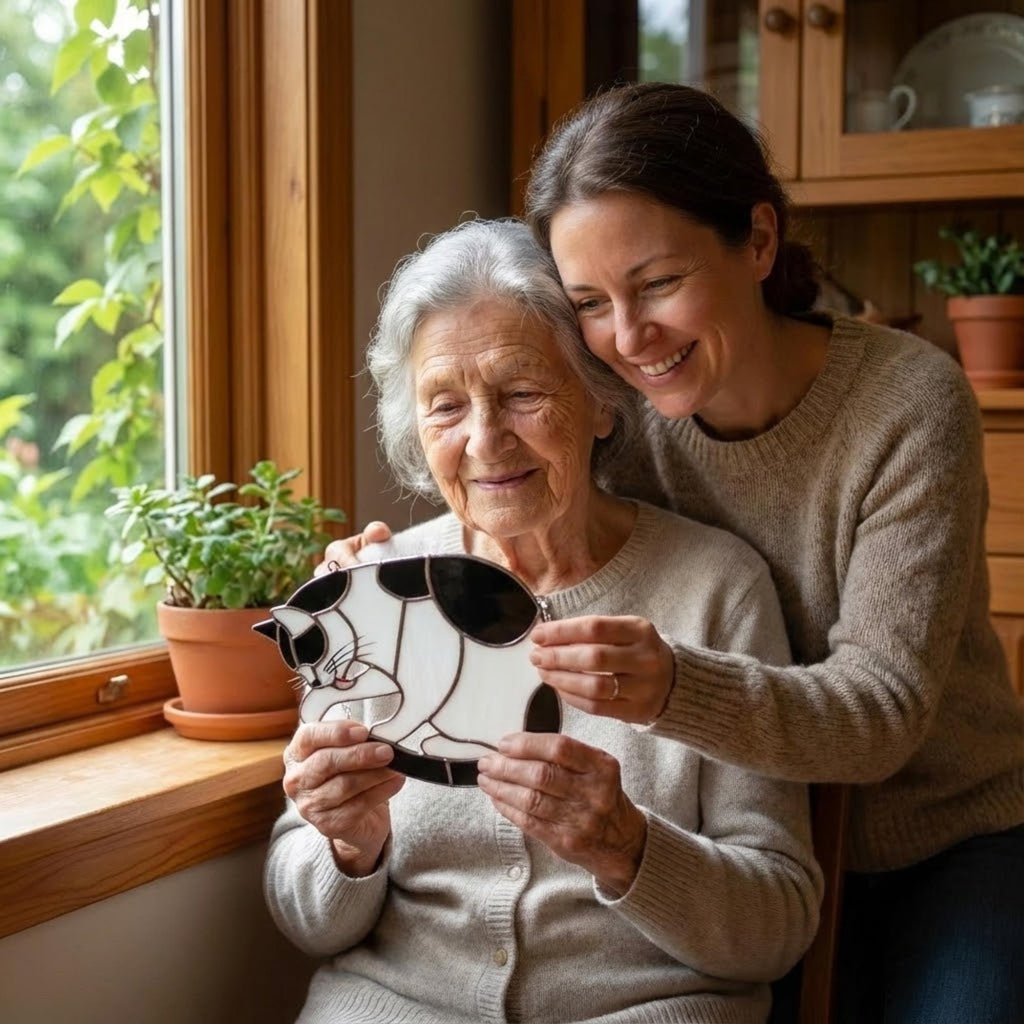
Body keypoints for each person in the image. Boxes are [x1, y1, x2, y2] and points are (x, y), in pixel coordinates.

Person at [332, 84, 1024, 1024]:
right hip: (751, 831)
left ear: (760, 242)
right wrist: (388, 581)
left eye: (658, 284)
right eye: (590, 303)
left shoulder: (910, 407)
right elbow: (510, 485)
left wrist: (669, 688)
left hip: (934, 836)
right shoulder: (630, 407)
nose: (628, 338)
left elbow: (882, 715)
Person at [265, 218, 823, 1024]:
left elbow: (779, 926)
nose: (485, 439)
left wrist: (628, 846)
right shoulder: (373, 592)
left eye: (523, 393)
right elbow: (310, 923)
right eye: (445, 405)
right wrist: (349, 847)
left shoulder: (716, 589)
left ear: (601, 402)